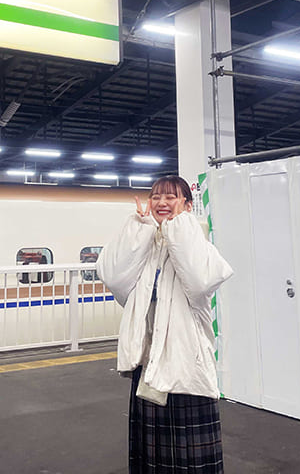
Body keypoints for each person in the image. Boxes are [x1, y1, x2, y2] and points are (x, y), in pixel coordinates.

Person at [97, 175, 233, 473]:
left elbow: (199, 282)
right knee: (152, 456)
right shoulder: (146, 244)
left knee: (189, 458)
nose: (161, 202)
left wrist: (180, 226)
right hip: (147, 359)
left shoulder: (199, 244)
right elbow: (113, 277)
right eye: (156, 196)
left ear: (186, 204)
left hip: (185, 359)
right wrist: (138, 229)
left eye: (171, 197)